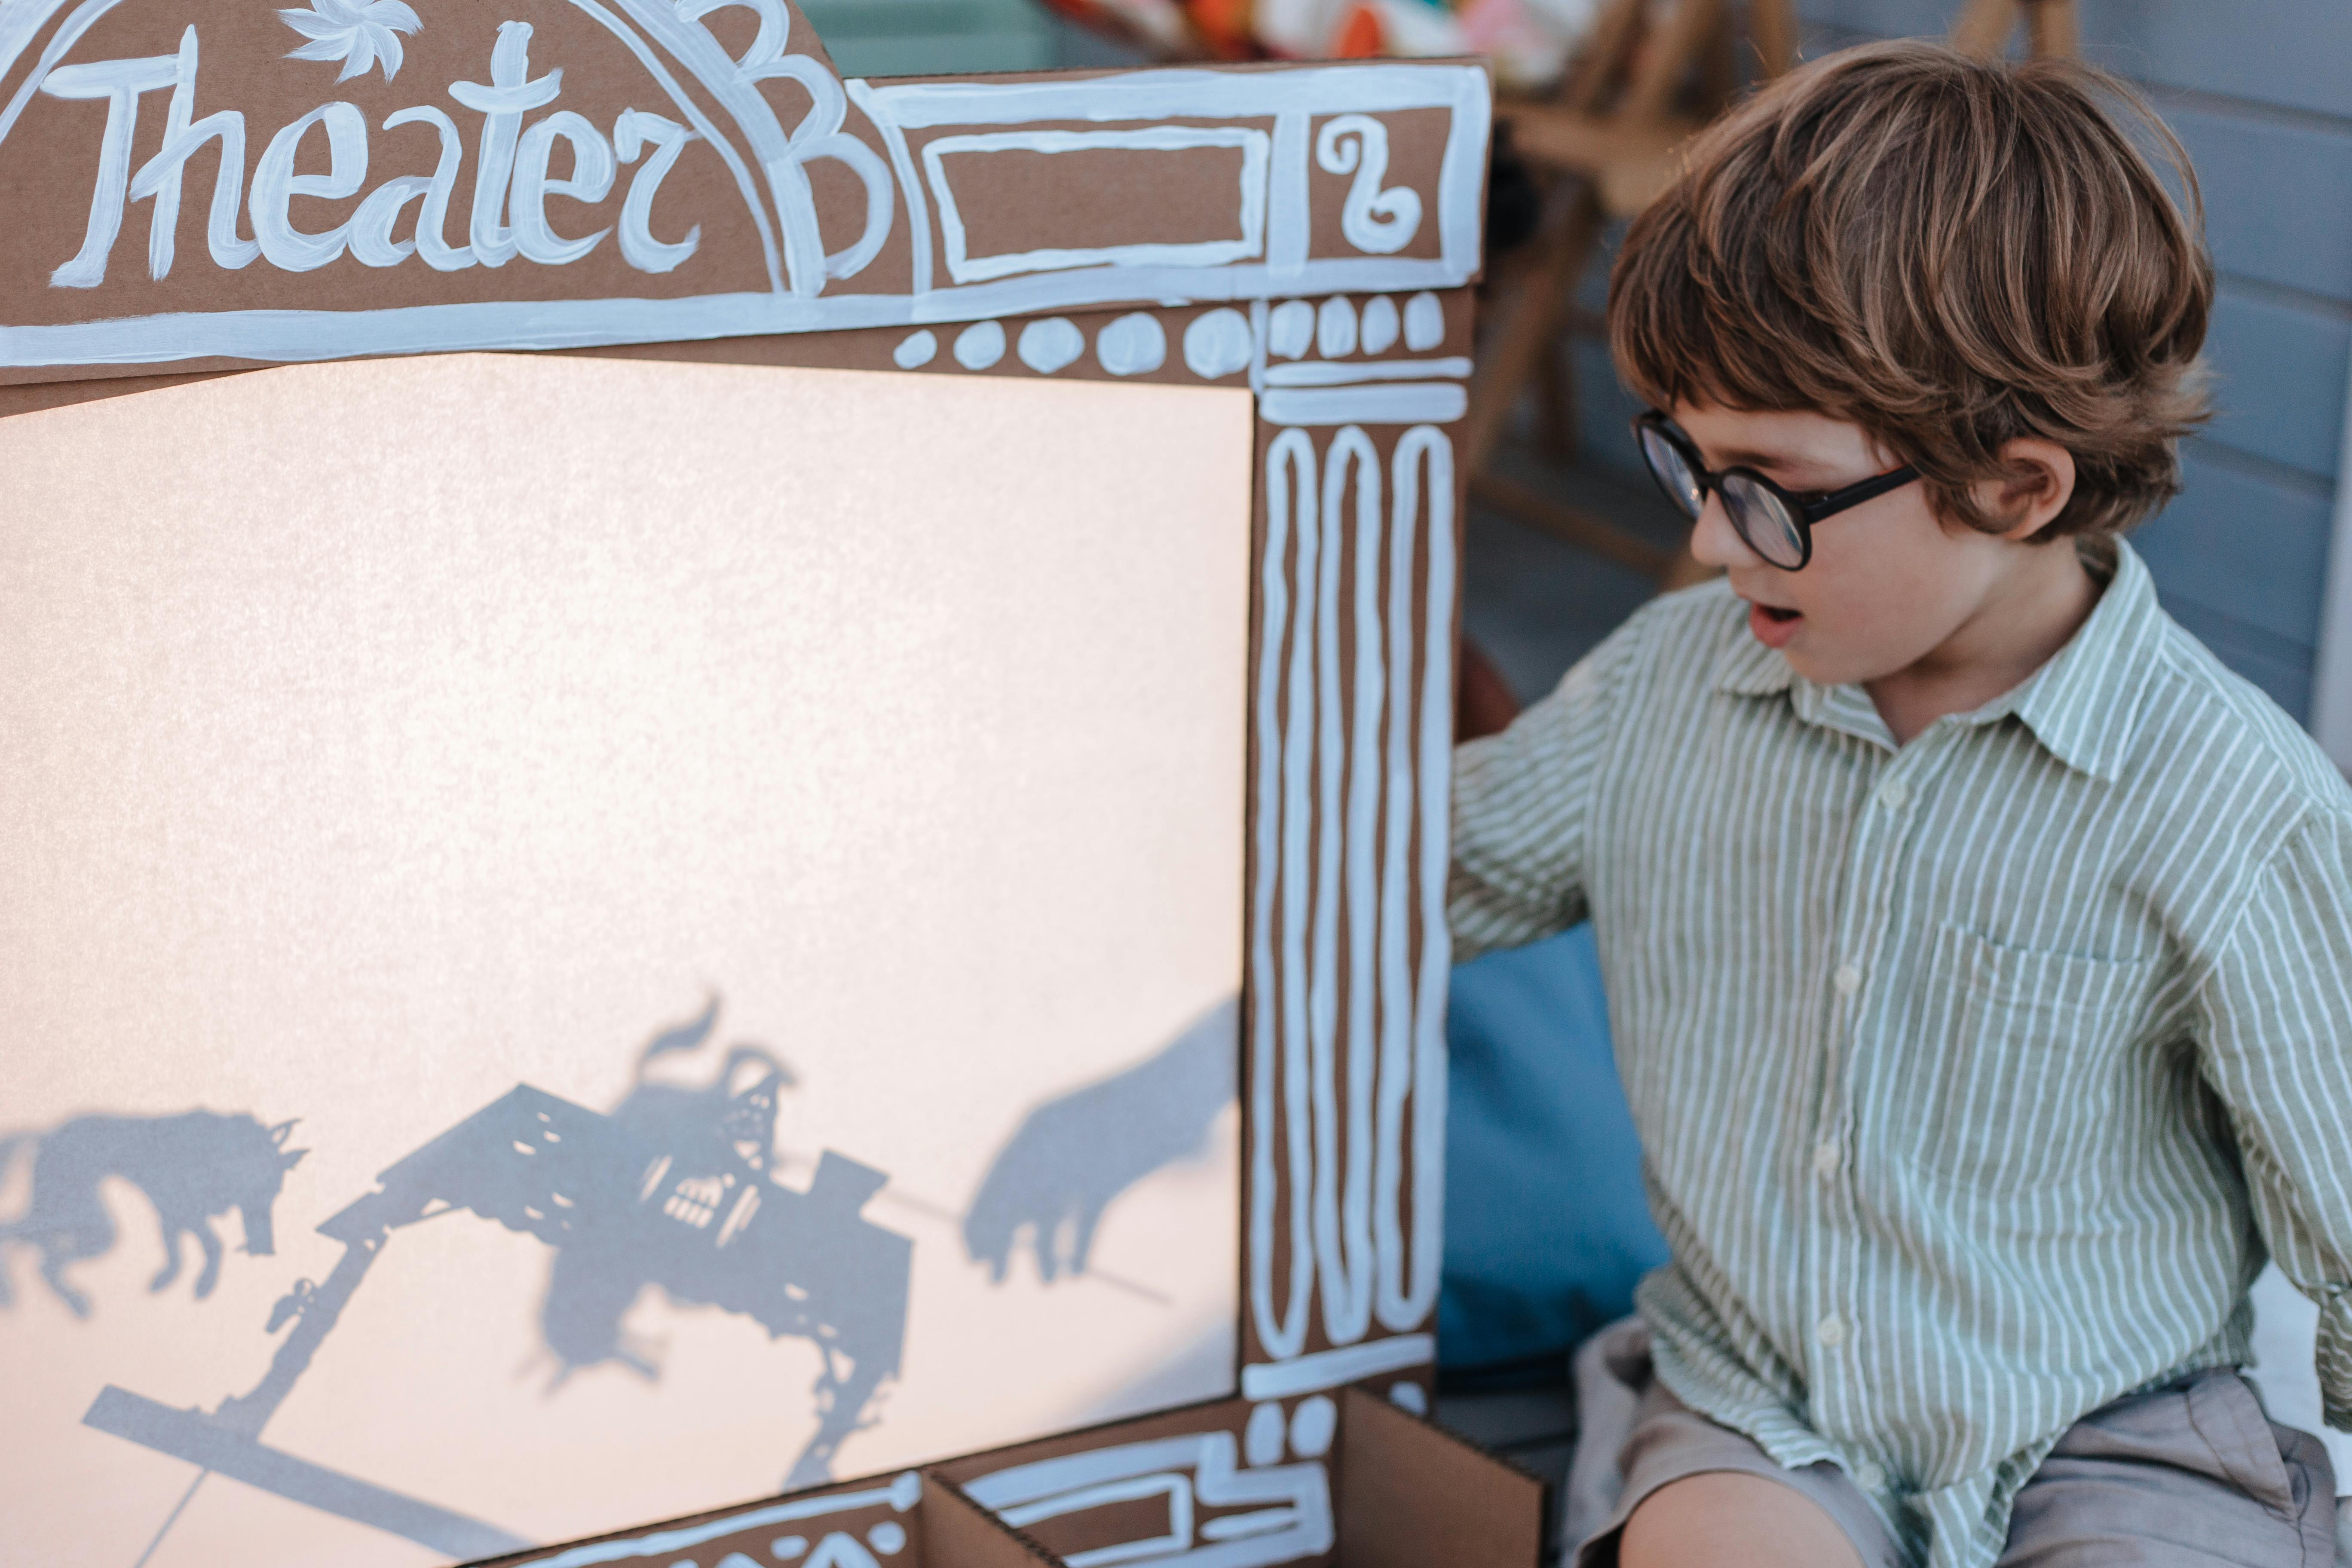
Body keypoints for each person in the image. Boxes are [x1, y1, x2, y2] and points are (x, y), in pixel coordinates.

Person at [1448, 40, 2352, 1568]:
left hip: (2117, 1429)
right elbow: (1397, 873)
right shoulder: (1671, 687)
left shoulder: (2228, 802)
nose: (1719, 546)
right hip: (1764, 1411)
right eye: (1689, 463)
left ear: (2017, 488)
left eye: (1768, 487)